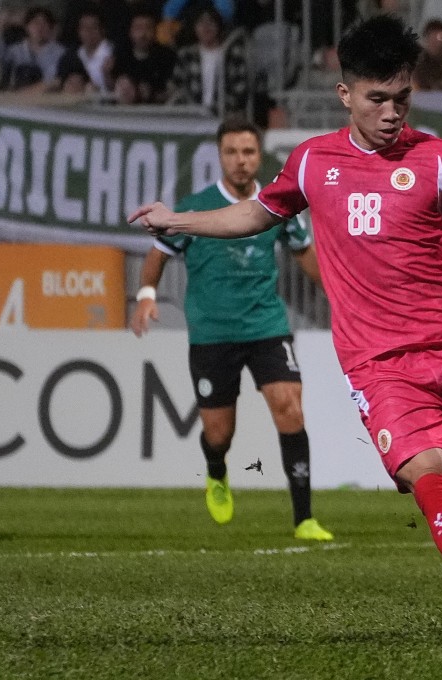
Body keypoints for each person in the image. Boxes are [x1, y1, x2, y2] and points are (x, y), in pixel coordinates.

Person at [131, 15, 442, 645]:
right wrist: (182, 219)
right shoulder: (312, 163)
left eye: (402, 99)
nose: (391, 113)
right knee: (433, 482)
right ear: (346, 96)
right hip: (381, 367)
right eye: (376, 99)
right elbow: (257, 212)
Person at [130, 116, 334, 543]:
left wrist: (344, 296)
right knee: (219, 434)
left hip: (267, 325)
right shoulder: (198, 206)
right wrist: (147, 293)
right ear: (220, 156)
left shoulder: (277, 204)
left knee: (289, 408)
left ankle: (304, 519)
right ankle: (217, 471)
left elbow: (305, 256)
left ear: (259, 156)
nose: (241, 161)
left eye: (248, 152)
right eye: (232, 152)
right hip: (213, 333)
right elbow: (158, 253)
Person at [111, 9, 178, 104]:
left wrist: (151, 95)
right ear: (130, 31)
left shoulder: (167, 56)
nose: (143, 34)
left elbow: (173, 92)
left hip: (157, 113)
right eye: (138, 28)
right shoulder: (121, 54)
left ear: (155, 31)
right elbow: (113, 89)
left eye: (148, 28)